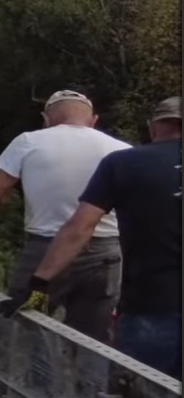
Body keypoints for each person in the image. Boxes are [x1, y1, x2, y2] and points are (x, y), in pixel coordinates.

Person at [0, 90, 129, 342]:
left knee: (20, 333)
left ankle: (29, 368)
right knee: (90, 343)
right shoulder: (122, 150)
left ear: (46, 119)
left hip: (45, 251)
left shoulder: (28, 142)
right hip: (105, 255)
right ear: (94, 120)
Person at [25, 98, 182, 377]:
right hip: (152, 308)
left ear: (152, 126)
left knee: (138, 396)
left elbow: (80, 228)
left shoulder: (123, 163)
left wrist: (40, 283)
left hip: (151, 306)